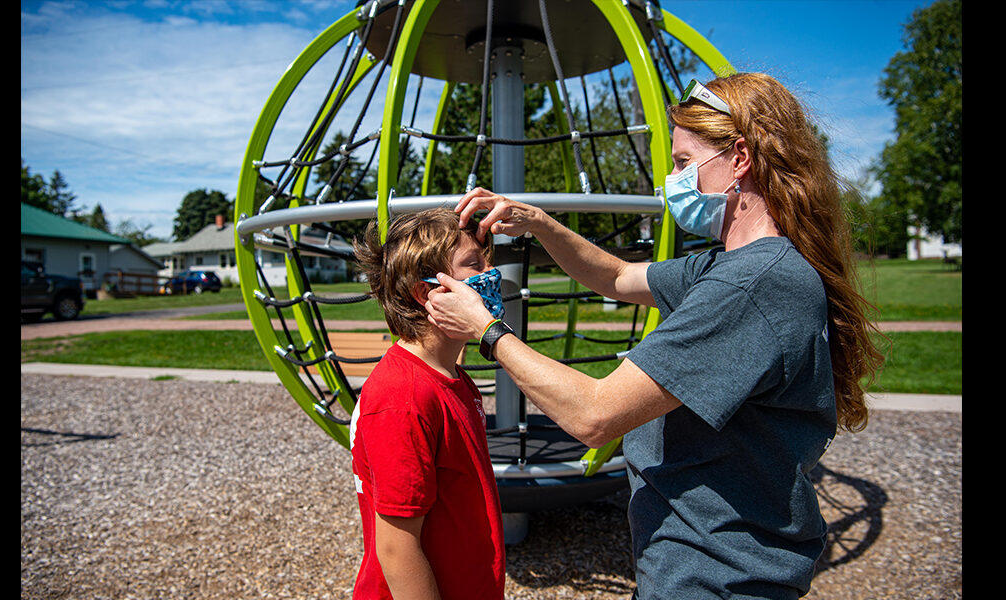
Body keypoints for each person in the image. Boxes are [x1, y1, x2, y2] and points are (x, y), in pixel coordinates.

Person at [424, 73, 884, 599]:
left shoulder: (751, 284)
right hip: (703, 561)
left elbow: (595, 416)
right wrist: (540, 224)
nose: (672, 178)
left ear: (739, 159)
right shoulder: (732, 265)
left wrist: (486, 329)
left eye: (684, 162)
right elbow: (617, 277)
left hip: (716, 575)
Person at [349, 208, 506, 600]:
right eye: (475, 264)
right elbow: (396, 547)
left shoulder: (451, 375)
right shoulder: (403, 398)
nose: (491, 272)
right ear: (428, 294)